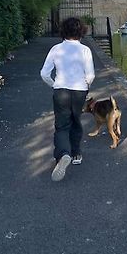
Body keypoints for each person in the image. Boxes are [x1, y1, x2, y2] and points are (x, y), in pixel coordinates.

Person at [40, 17, 95, 181]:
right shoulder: (85, 50)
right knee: (76, 121)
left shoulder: (56, 49)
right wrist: (86, 85)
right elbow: (90, 75)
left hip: (61, 89)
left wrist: (54, 84)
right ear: (81, 31)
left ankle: (63, 154)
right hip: (79, 91)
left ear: (63, 31)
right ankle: (76, 154)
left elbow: (44, 73)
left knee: (62, 125)